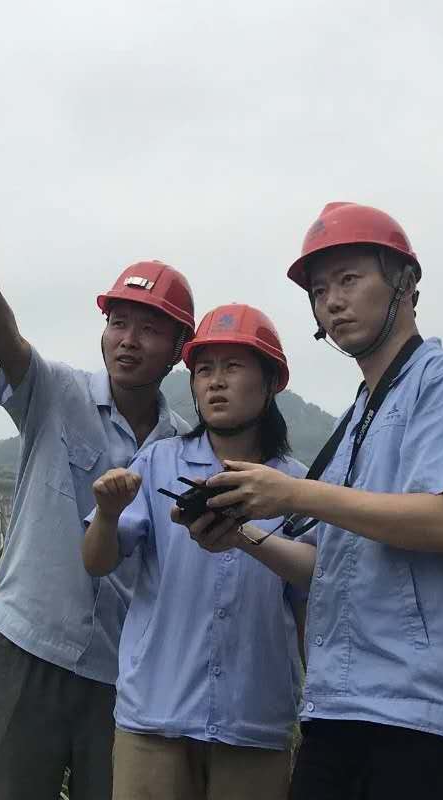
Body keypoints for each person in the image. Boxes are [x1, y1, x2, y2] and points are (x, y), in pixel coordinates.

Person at [204, 202, 443, 800]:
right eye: (319, 290)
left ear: (405, 281)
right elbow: (328, 566)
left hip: (431, 711)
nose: (332, 301)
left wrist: (294, 492)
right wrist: (241, 534)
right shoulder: (357, 419)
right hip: (340, 703)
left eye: (349, 279)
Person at [0, 205, 195, 800]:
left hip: (121, 673)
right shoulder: (57, 393)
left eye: (149, 329)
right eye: (119, 323)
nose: (128, 341)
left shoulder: (181, 449)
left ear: (180, 348)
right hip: (28, 648)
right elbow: (7, 343)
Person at [81, 303, 315, 800]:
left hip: (253, 723)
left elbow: (309, 595)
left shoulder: (296, 487)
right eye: (204, 369)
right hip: (154, 719)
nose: (215, 382)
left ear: (271, 382)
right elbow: (97, 561)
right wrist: (106, 514)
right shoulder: (158, 464)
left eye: (233, 367)